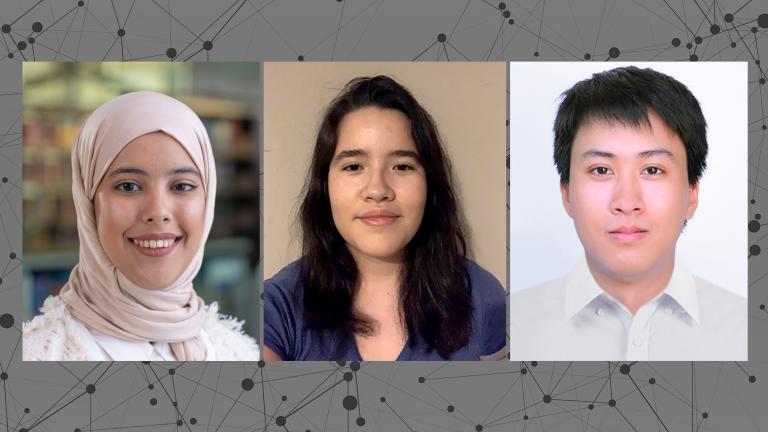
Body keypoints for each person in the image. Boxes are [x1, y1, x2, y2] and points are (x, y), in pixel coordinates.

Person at [509, 66, 746, 361]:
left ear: (692, 193)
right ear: (567, 193)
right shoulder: (514, 329)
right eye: (601, 170)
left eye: (652, 170)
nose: (626, 201)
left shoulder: (747, 333)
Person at [263, 76, 506, 361]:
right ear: (325, 185)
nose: (378, 190)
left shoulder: (483, 297)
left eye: (402, 166)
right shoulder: (278, 307)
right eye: (353, 166)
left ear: (430, 184)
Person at [23, 91, 259, 361]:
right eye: (128, 186)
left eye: (182, 186)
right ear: (88, 201)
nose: (158, 212)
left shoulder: (238, 353)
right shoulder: (38, 357)